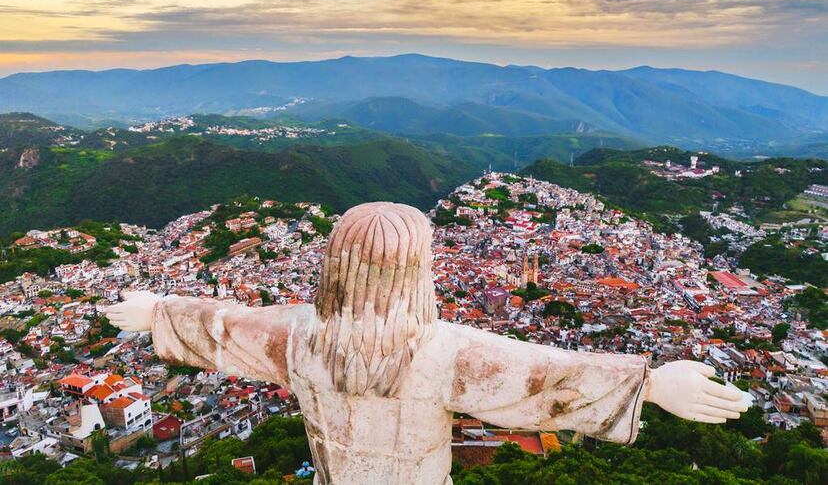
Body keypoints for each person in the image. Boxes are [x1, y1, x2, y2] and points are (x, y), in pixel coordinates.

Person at [105, 202, 747, 485]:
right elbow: (542, 380)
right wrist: (655, 385)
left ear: (336, 267)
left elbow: (222, 328)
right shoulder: (445, 354)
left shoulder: (297, 337)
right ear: (418, 273)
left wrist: (160, 311)